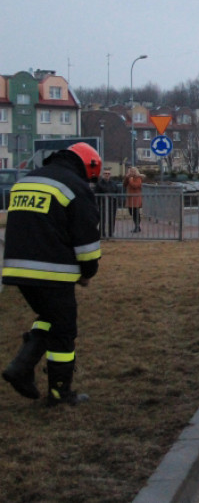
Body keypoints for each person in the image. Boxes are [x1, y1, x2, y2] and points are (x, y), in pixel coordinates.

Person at [2, 143, 102, 406]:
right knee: (64, 329)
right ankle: (60, 392)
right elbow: (87, 242)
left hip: (17, 268)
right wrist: (87, 272)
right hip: (53, 271)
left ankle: (21, 368)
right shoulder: (75, 188)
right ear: (88, 167)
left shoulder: (29, 179)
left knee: (50, 318)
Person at [94, 167, 119, 238]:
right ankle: (102, 234)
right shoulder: (99, 184)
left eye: (108, 173)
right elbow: (96, 193)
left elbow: (116, 192)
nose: (107, 175)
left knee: (112, 219)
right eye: (105, 173)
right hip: (102, 204)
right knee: (102, 219)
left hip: (112, 204)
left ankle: (111, 233)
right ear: (103, 174)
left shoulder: (113, 183)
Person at [123, 166, 144, 233]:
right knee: (131, 212)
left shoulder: (138, 178)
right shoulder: (129, 178)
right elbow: (124, 185)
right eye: (130, 171)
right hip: (130, 198)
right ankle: (137, 226)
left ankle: (137, 226)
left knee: (136, 212)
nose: (131, 172)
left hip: (136, 198)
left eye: (132, 171)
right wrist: (127, 178)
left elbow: (135, 185)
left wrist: (131, 179)